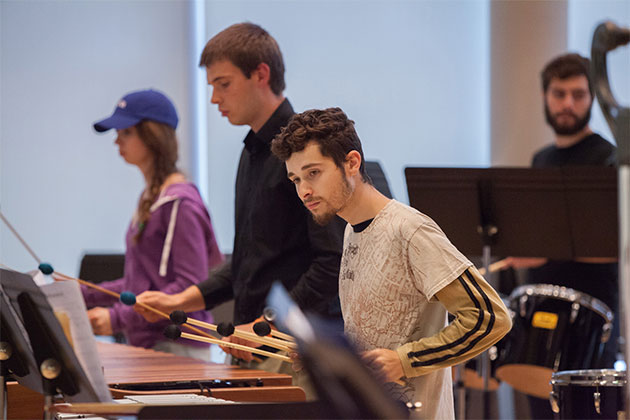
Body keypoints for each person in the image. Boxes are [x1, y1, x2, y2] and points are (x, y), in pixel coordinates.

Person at [271, 107, 512, 419]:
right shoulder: (350, 231)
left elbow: (490, 317)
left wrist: (404, 360)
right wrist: (326, 358)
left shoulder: (410, 230)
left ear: (352, 163)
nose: (304, 190)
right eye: (296, 179)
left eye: (313, 173)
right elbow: (373, 339)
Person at [134, 23, 344, 367]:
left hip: (295, 352)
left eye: (224, 84)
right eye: (212, 87)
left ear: (261, 74)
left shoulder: (307, 153)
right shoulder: (251, 152)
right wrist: (181, 301)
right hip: (252, 346)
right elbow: (250, 260)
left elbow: (332, 263)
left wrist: (269, 326)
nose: (215, 98)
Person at [506, 53, 618, 418]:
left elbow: (616, 246)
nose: (568, 103)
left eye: (578, 94)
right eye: (559, 93)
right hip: (540, 317)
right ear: (545, 97)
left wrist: (546, 254)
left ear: (592, 99)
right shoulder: (542, 160)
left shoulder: (610, 160)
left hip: (592, 320)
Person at [82, 89, 224, 360]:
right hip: (151, 344)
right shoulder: (152, 197)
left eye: (126, 133)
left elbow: (188, 285)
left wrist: (117, 317)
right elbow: (142, 282)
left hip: (177, 347)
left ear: (152, 136)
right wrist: (85, 294)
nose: (117, 142)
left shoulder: (180, 205)